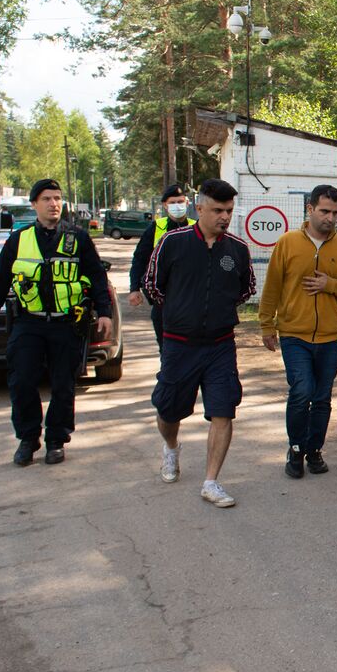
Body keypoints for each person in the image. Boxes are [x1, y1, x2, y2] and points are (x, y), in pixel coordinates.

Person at [0, 179, 113, 467]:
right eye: (47, 199)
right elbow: (0, 278)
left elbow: (97, 276)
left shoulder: (77, 237)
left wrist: (105, 312)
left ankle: (56, 440)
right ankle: (28, 439)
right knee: (22, 381)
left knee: (64, 385)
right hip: (29, 323)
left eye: (57, 198)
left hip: (66, 324)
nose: (54, 204)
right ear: (34, 205)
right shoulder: (19, 239)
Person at [143, 179, 255, 507]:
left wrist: (219, 308)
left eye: (229, 211)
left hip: (220, 344)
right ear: (200, 208)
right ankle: (172, 447)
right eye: (218, 210)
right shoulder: (172, 243)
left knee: (223, 410)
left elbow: (247, 287)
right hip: (179, 344)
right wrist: (180, 311)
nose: (224, 217)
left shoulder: (237, 249)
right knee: (169, 409)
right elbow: (152, 286)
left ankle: (211, 481)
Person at [258, 184, 337, 478]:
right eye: (325, 211)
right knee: (301, 391)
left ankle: (314, 450)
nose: (330, 218)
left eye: (335, 213)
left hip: (330, 337)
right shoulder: (288, 243)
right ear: (310, 209)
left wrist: (329, 284)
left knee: (322, 396)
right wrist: (267, 324)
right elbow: (273, 287)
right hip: (295, 334)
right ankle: (295, 449)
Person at [128, 183, 196, 350]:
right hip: (163, 301)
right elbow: (140, 258)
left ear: (187, 203)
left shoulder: (197, 227)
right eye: (172, 203)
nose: (177, 206)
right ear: (165, 205)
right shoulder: (156, 228)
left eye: (180, 202)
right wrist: (134, 288)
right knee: (167, 349)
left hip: (192, 301)